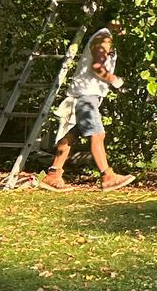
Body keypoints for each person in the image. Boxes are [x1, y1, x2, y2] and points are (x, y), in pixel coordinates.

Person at [37, 27, 133, 191]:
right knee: (97, 133)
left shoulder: (105, 37)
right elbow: (97, 67)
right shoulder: (103, 37)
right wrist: (114, 80)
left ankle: (53, 175)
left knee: (72, 134)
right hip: (87, 95)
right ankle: (107, 176)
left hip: (90, 95)